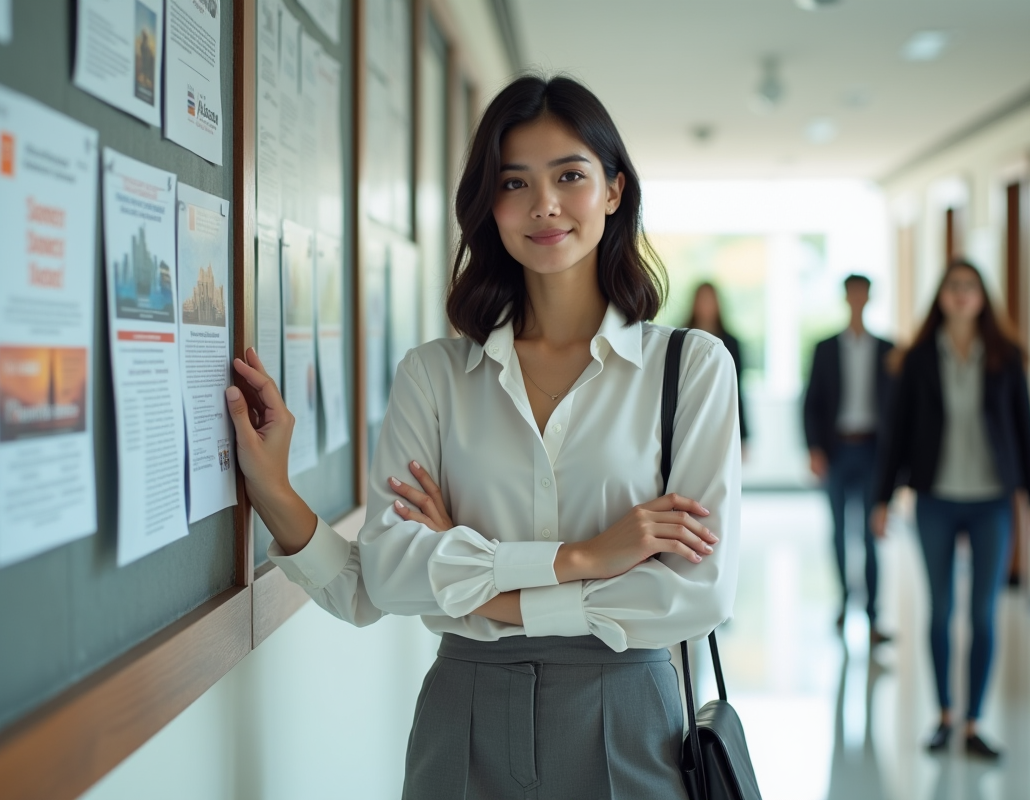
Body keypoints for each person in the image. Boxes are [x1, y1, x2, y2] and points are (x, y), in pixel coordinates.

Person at [224, 75, 741, 798]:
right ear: (488, 205)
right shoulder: (435, 376)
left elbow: (695, 596)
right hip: (463, 720)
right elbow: (387, 580)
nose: (545, 205)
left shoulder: (689, 370)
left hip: (628, 716)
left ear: (615, 190)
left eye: (570, 175)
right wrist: (585, 557)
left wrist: (477, 588)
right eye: (514, 182)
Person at [871, 258, 1030, 760]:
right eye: (954, 287)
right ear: (942, 297)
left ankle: (974, 723)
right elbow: (896, 435)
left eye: (971, 287)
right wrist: (882, 499)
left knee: (984, 613)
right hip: (935, 499)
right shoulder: (918, 358)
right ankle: (945, 716)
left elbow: (1024, 431)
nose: (963, 295)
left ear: (983, 297)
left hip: (992, 500)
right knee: (942, 610)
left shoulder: (1005, 356)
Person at [803, 274, 894, 643]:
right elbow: (810, 403)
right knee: (839, 532)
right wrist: (813, 449)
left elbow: (898, 410)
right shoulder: (825, 348)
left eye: (863, 293)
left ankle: (873, 616)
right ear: (845, 298)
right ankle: (844, 603)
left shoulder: (888, 350)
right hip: (837, 450)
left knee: (872, 534)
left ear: (870, 297)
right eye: (852, 293)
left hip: (874, 451)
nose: (857, 299)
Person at [688, 281, 749, 446]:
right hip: (688, 418)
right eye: (702, 300)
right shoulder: (682, 340)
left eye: (710, 300)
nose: (706, 306)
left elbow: (736, 391)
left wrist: (742, 434)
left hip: (722, 420)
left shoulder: (732, 344)